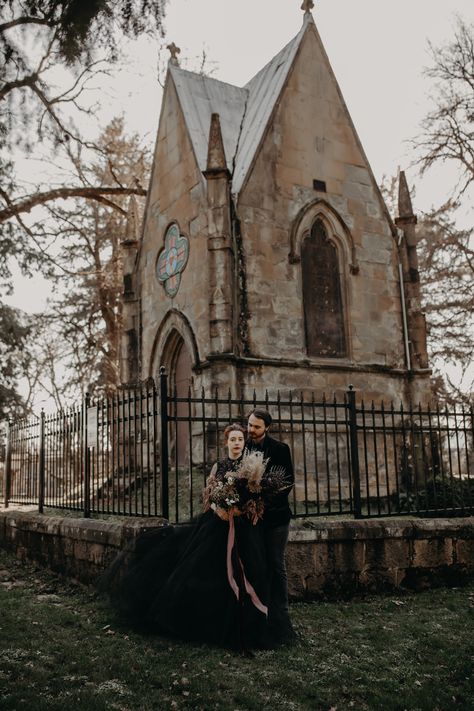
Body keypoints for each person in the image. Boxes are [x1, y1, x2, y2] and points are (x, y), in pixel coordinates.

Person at [101, 424, 272, 652]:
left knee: (247, 574)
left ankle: (243, 624)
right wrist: (218, 508)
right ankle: (206, 624)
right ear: (226, 443)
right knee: (209, 571)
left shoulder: (251, 467)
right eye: (232, 439)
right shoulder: (218, 466)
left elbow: (257, 501)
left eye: (240, 439)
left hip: (242, 531)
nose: (237, 443)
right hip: (216, 527)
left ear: (244, 442)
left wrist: (241, 510)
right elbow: (210, 495)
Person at [246, 409, 296, 645]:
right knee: (257, 564)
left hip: (276, 519)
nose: (251, 430)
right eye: (249, 425)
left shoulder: (280, 449)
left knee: (277, 565)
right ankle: (259, 612)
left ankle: (281, 613)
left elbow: (287, 482)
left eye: (256, 426)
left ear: (267, 427)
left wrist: (264, 502)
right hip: (253, 520)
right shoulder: (244, 447)